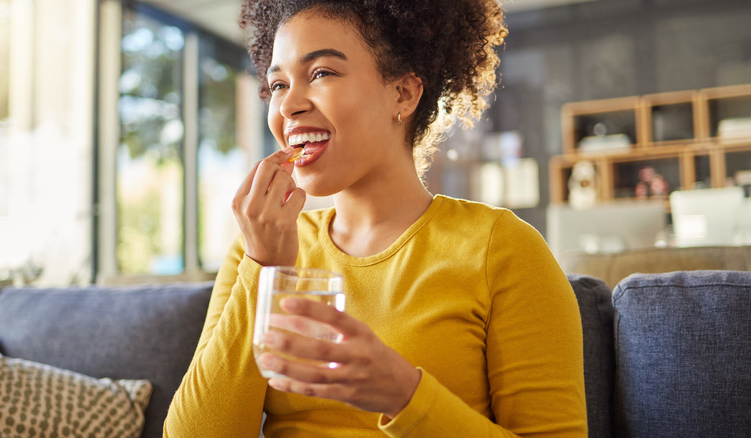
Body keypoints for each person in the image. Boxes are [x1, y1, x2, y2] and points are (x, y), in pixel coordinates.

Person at [164, 0, 587, 436]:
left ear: (402, 93)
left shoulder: (501, 248)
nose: (288, 105)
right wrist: (264, 269)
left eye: (321, 73)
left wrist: (403, 394)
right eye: (277, 84)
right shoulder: (259, 248)